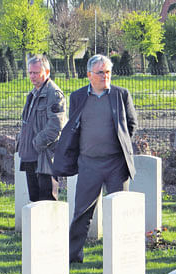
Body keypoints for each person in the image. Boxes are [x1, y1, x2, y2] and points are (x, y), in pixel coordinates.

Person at [53, 54, 137, 263]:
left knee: (120, 211)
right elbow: (74, 127)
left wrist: (119, 147)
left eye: (108, 72)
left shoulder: (121, 95)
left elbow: (131, 125)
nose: (105, 76)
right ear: (89, 74)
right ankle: (73, 256)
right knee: (82, 212)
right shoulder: (78, 96)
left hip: (116, 164)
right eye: (100, 72)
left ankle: (121, 256)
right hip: (89, 164)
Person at [17, 55, 66, 202]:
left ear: (47, 72)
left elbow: (56, 127)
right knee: (35, 201)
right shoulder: (32, 94)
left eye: (36, 73)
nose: (32, 76)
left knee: (47, 202)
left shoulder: (54, 94)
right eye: (30, 72)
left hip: (44, 156)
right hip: (30, 156)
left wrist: (36, 143)